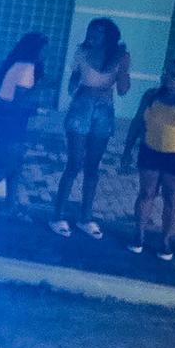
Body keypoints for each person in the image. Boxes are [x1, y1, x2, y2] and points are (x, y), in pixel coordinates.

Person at [49, 14, 131, 238]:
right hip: (82, 108)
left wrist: (123, 67)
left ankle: (85, 218)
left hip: (104, 111)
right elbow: (72, 83)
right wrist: (75, 84)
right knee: (74, 163)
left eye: (99, 31)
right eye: (91, 29)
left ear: (109, 35)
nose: (93, 34)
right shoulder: (82, 52)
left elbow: (123, 90)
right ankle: (57, 215)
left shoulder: (120, 56)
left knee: (93, 167)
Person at [121, 54, 175, 262]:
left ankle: (165, 239)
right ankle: (139, 235)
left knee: (171, 199)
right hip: (150, 152)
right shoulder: (151, 96)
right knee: (146, 194)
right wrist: (127, 150)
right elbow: (137, 123)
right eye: (166, 72)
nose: (167, 76)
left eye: (173, 74)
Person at [0, 30, 47, 215]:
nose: (47, 54)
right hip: (11, 120)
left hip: (4, 117)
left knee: (15, 164)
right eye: (45, 50)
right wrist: (38, 101)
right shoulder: (27, 69)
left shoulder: (17, 65)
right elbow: (19, 100)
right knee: (8, 165)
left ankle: (10, 205)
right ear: (36, 50)